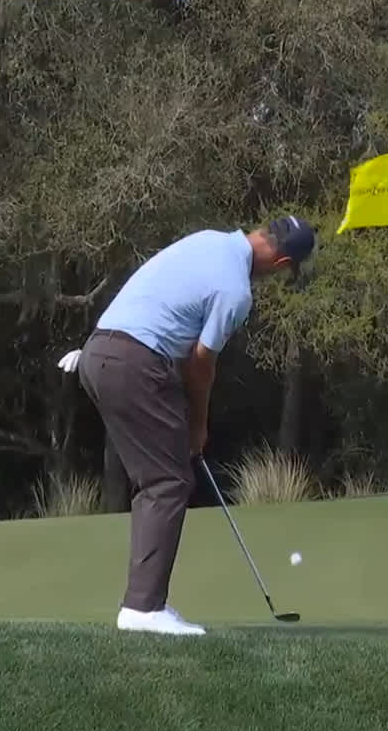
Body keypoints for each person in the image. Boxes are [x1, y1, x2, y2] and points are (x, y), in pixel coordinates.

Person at [56, 216, 316, 636]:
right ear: (282, 260)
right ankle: (143, 609)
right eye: (285, 269)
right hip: (133, 362)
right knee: (168, 482)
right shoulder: (236, 290)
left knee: (160, 477)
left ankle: (146, 604)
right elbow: (199, 364)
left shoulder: (207, 240)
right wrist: (198, 426)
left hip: (99, 350)